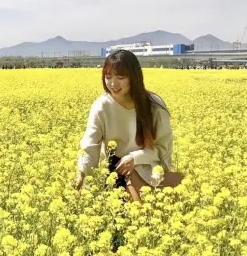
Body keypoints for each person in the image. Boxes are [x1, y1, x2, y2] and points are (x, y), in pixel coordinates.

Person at [75, 49, 183, 201]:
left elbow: (164, 149)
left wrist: (135, 158)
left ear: (133, 78)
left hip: (149, 165)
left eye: (120, 77)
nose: (113, 84)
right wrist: (82, 178)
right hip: (116, 168)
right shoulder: (102, 106)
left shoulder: (154, 105)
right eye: (108, 77)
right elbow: (90, 147)